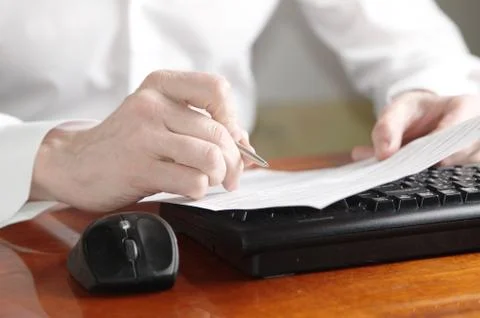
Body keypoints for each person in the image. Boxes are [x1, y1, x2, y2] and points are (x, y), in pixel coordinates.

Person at [1, 0, 480, 228]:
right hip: (22, 225)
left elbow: (412, 40)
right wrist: (55, 157)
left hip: (220, 223)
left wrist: (435, 94)